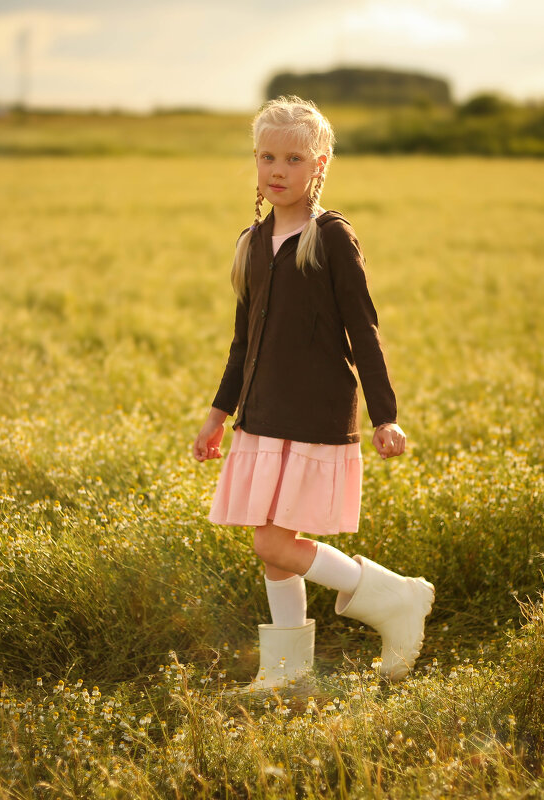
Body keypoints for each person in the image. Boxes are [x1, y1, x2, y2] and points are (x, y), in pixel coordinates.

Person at [193, 96, 434, 690]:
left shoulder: (330, 237)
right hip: (260, 416)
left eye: (294, 158)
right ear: (255, 162)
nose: (278, 169)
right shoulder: (252, 242)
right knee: (274, 550)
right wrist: (218, 414)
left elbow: (363, 329)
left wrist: (386, 416)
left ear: (319, 165)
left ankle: (394, 597)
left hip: (312, 414)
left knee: (272, 540)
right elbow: (241, 343)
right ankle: (289, 674)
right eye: (267, 156)